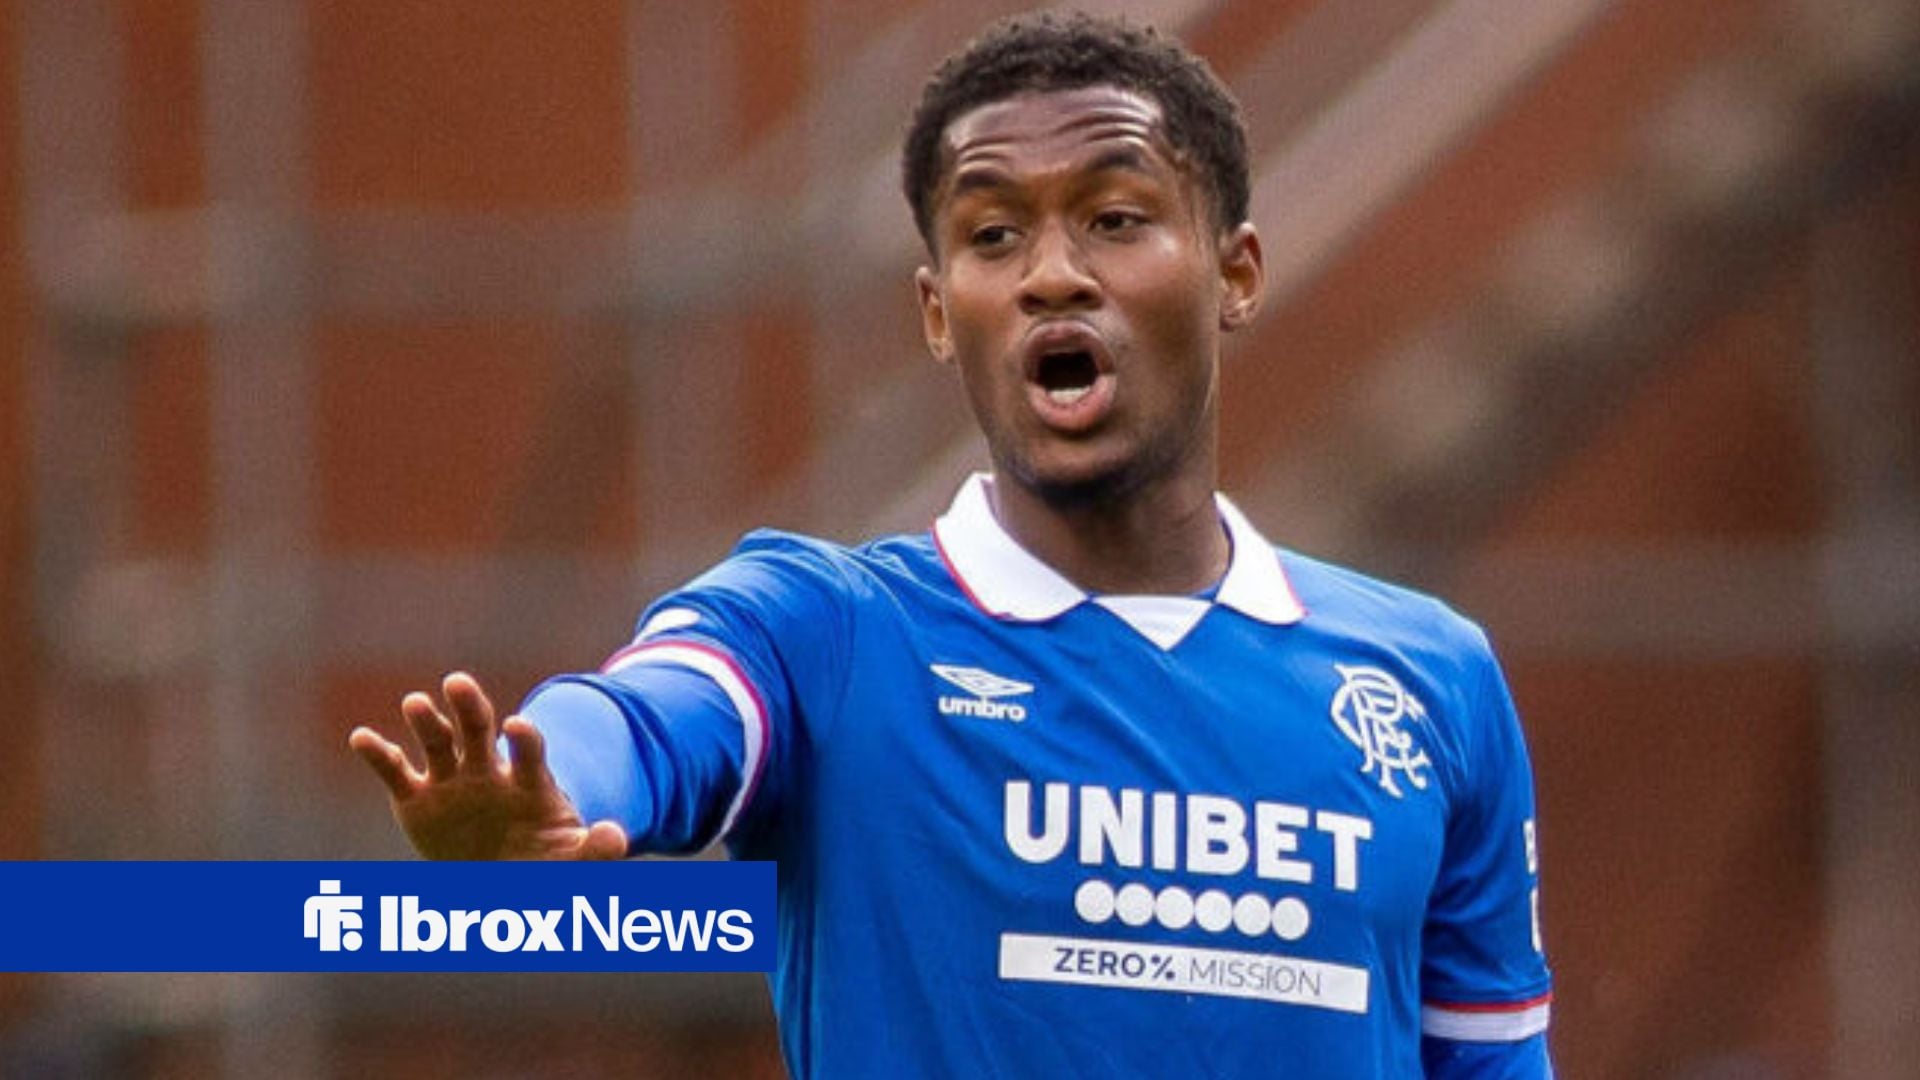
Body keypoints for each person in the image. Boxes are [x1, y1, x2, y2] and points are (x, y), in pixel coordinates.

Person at [350, 11, 1554, 1077]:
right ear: (938, 313)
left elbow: (1493, 1063)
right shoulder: (828, 634)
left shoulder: (1431, 680)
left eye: (1116, 219)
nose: (1053, 275)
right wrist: (556, 780)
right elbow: (661, 711)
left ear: (1235, 273)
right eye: (992, 236)